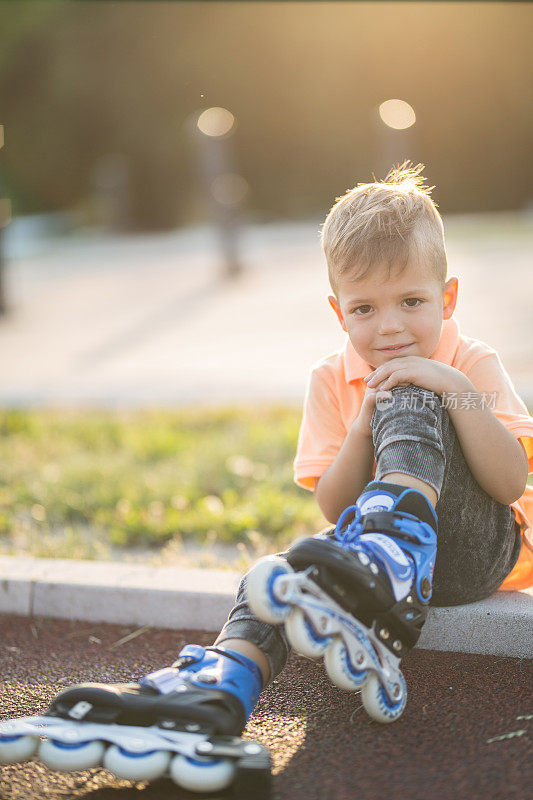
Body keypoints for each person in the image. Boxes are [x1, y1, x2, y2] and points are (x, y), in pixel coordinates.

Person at [6, 164, 532, 785]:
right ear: (339, 312)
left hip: (478, 553)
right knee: (280, 574)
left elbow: (509, 483)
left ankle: (397, 550)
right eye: (366, 308)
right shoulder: (329, 380)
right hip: (373, 563)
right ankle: (222, 685)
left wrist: (454, 388)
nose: (390, 327)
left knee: (410, 394)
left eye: (412, 302)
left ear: (447, 299)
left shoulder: (470, 361)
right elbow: (334, 505)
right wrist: (362, 426)